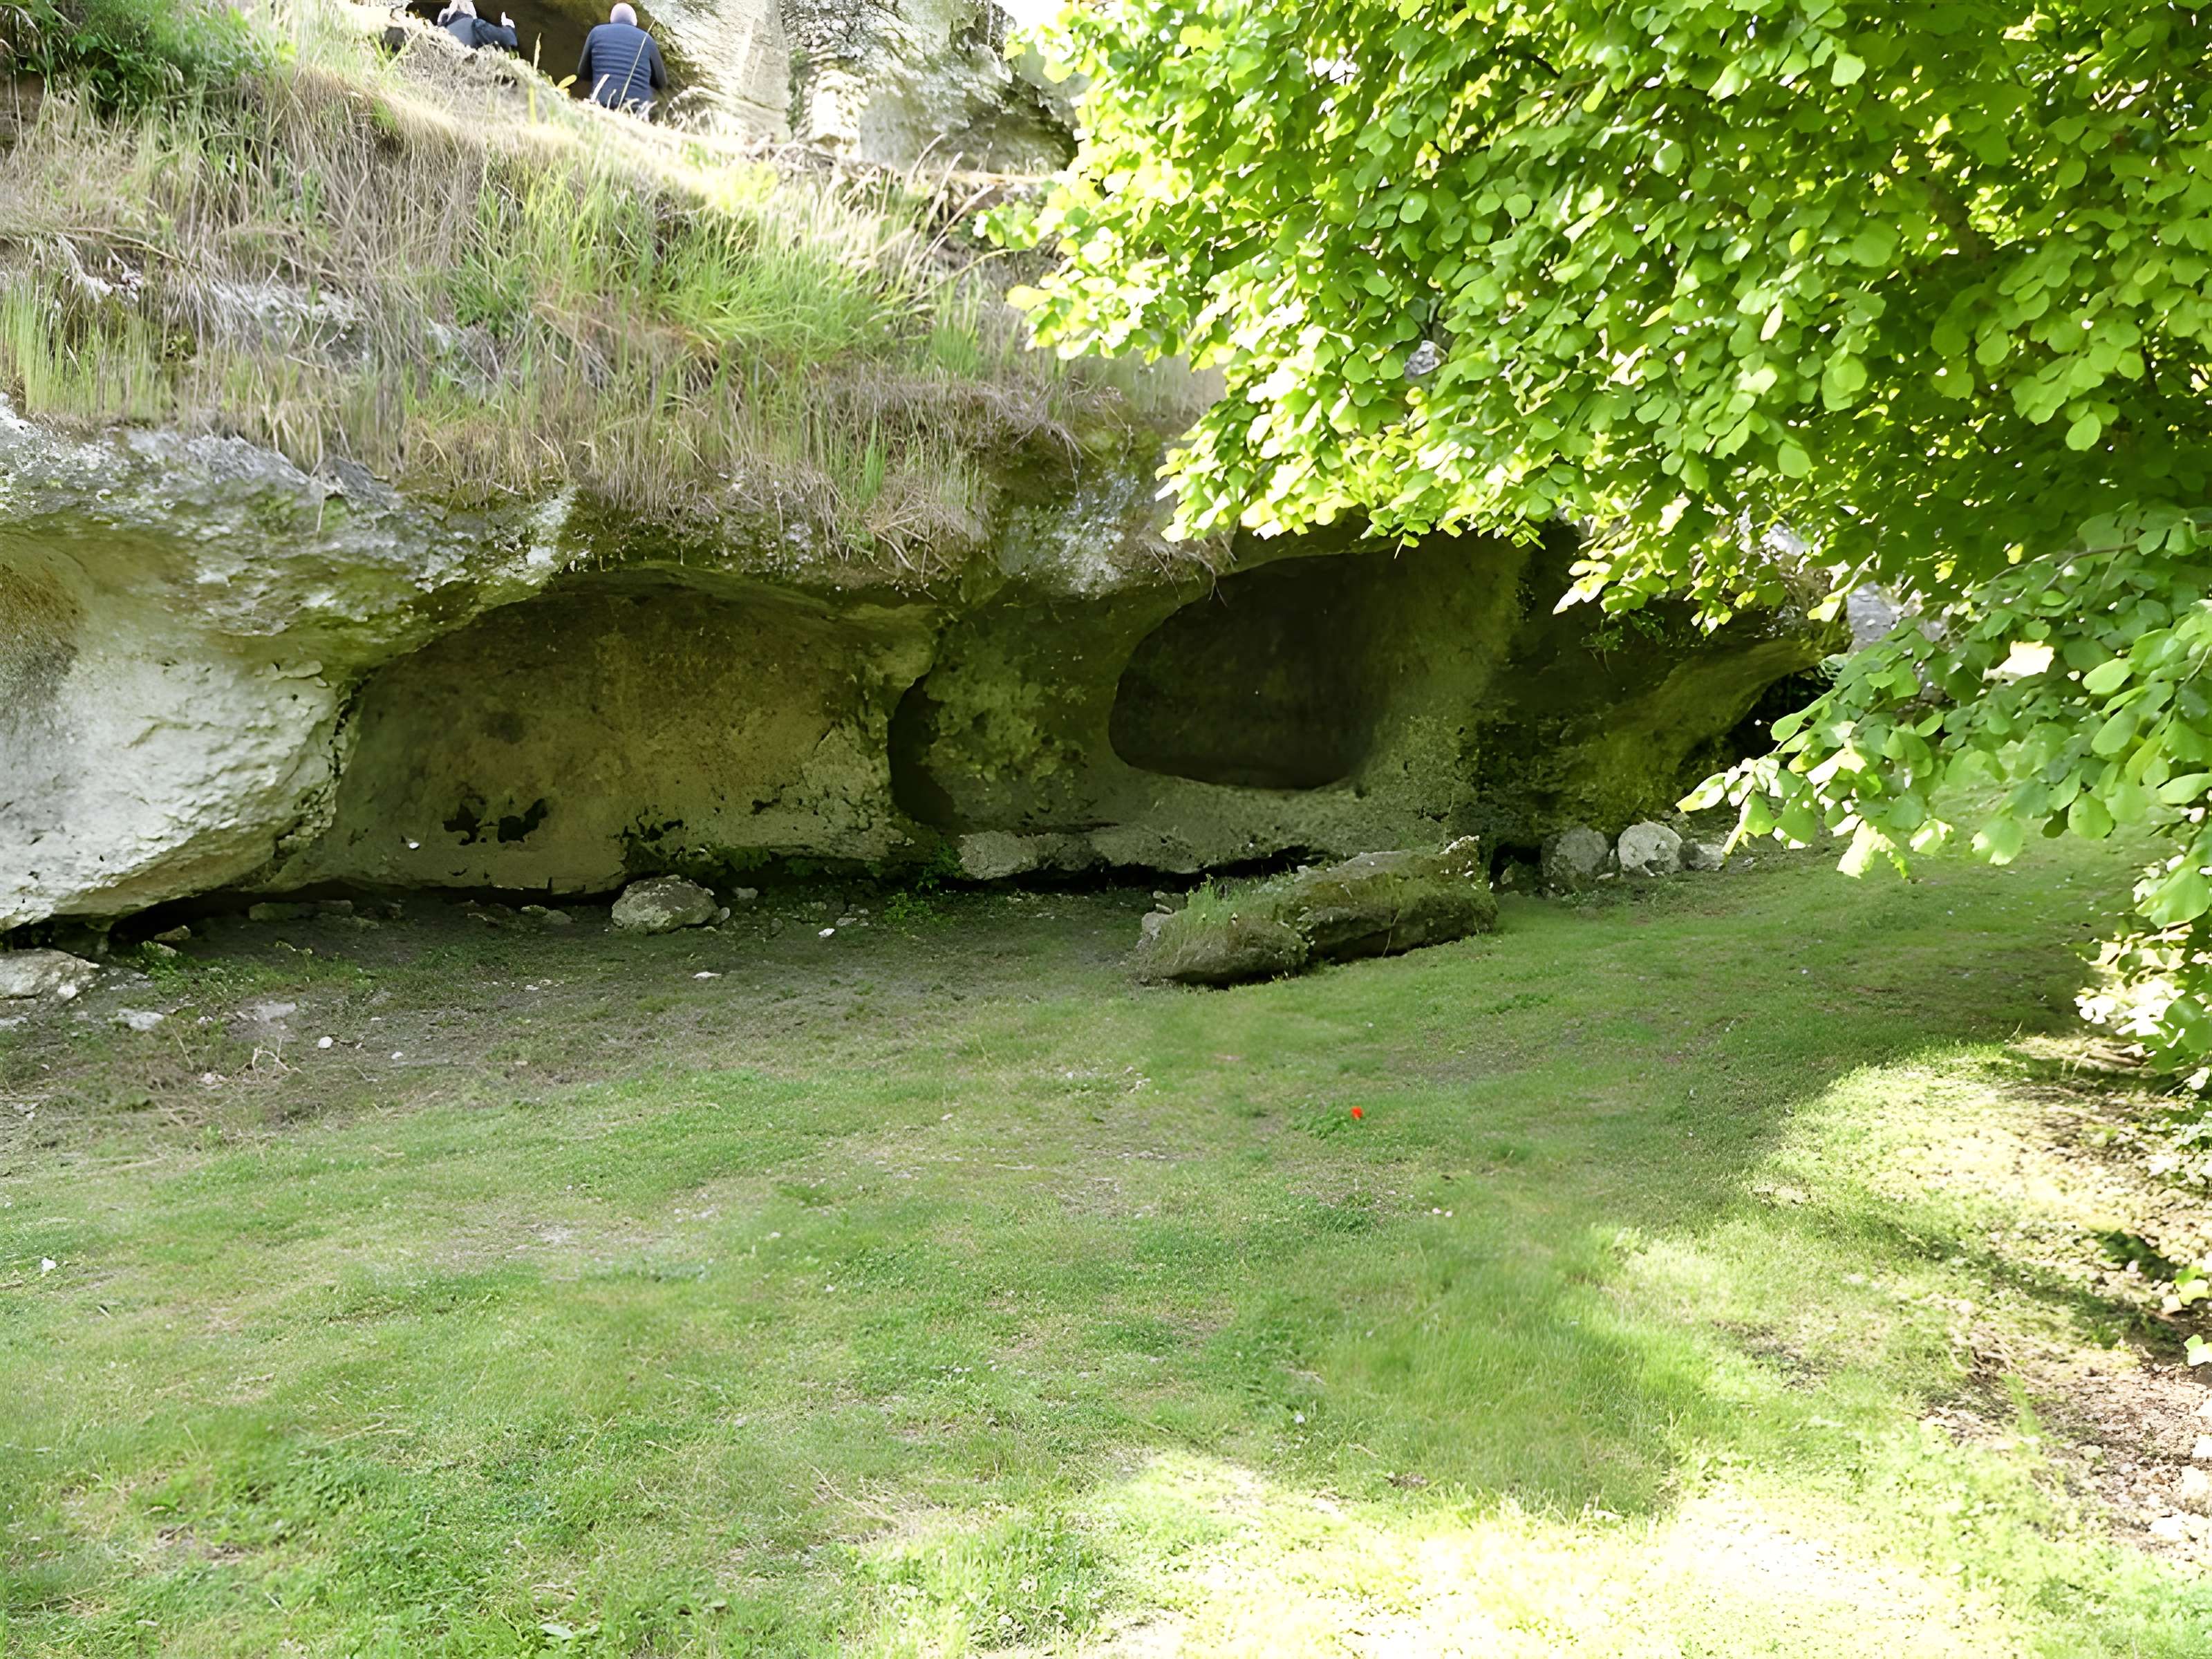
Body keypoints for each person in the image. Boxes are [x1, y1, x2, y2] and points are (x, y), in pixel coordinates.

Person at [575, 3, 667, 115]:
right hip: (636, 109)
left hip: (603, 102)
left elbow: (583, 72)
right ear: (635, 23)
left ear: (611, 21)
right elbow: (661, 83)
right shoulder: (647, 40)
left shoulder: (596, 32)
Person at [435, 0, 519, 52]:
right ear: (468, 7)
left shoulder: (443, 31)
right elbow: (508, 39)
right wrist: (509, 26)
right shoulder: (475, 26)